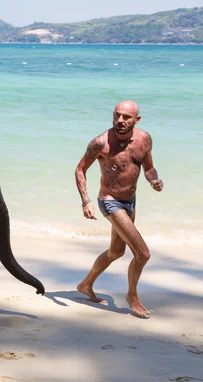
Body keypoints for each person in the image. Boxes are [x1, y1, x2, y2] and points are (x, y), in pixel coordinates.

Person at [74, 100, 163, 317]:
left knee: (116, 252)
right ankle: (132, 296)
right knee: (143, 254)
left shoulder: (144, 139)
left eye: (126, 117)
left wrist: (154, 180)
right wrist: (86, 201)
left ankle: (85, 285)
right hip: (109, 201)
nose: (120, 121)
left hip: (130, 201)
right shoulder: (100, 143)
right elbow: (80, 170)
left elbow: (149, 168)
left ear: (136, 120)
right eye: (117, 116)